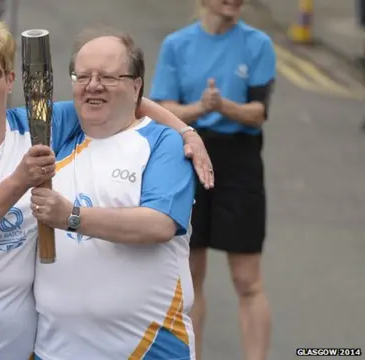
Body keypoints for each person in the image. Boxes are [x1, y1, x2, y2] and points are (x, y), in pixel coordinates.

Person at [0, 20, 209, 360]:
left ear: (11, 80)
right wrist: (20, 179)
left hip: (15, 345)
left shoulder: (39, 127)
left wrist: (186, 131)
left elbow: (112, 98)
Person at [150, 0, 276, 359]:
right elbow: (164, 109)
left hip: (240, 160)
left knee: (247, 279)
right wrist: (201, 108)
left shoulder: (258, 44)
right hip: (190, 155)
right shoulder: (177, 44)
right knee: (191, 276)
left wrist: (224, 107)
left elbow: (258, 112)